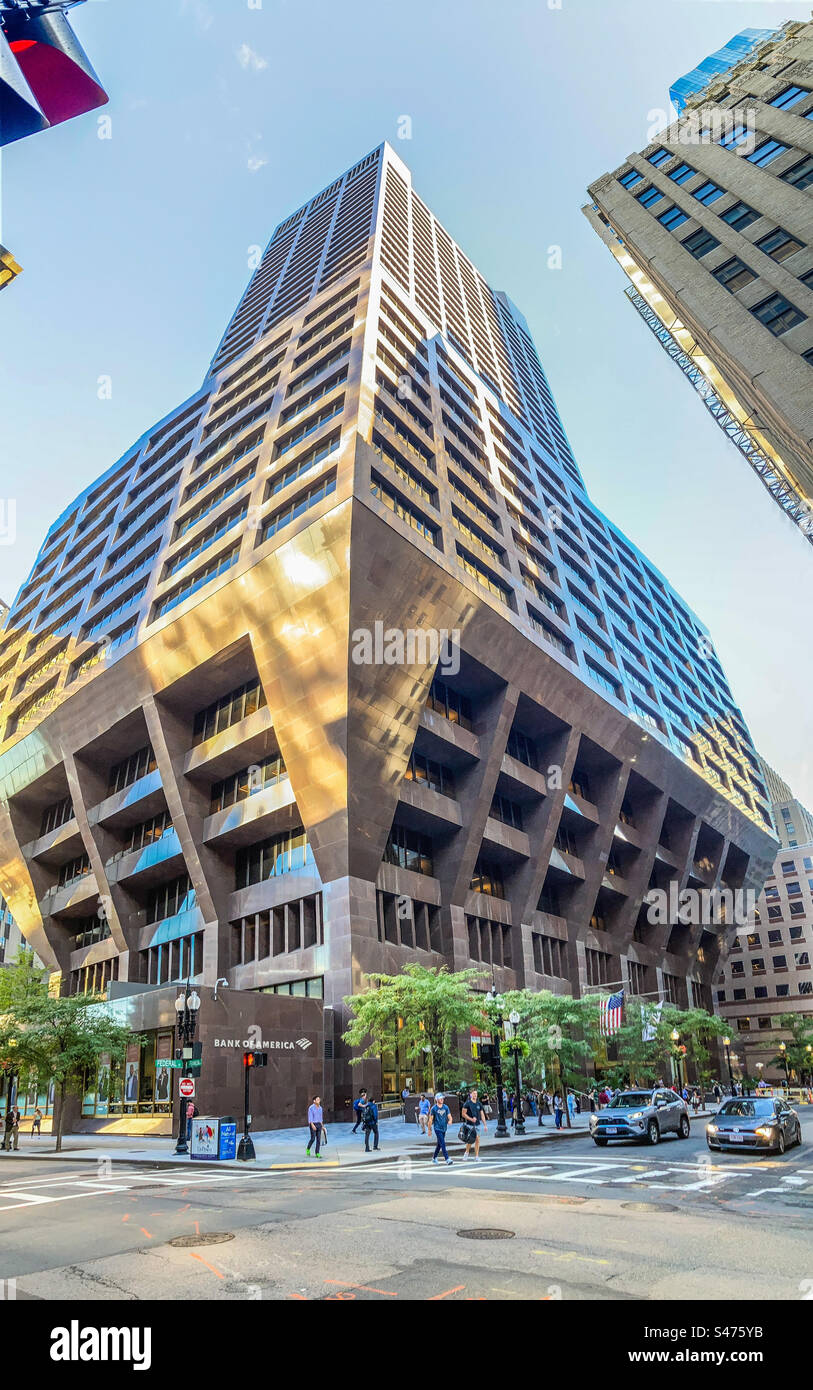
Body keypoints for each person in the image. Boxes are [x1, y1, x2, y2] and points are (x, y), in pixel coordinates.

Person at [461, 1087, 488, 1161]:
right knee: (470, 1140)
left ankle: (476, 1156)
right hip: (469, 1124)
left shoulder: (479, 1104)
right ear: (470, 1095)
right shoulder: (467, 1103)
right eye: (473, 1094)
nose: (475, 1095)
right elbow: (463, 1114)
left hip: (477, 1125)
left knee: (477, 1140)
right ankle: (466, 1152)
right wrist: (471, 1119)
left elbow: (482, 1115)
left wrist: (485, 1125)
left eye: (476, 1094)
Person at [429, 1093, 453, 1164]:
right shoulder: (434, 1108)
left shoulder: (446, 1107)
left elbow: (449, 1116)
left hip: (444, 1128)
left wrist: (450, 1120)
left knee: (439, 1144)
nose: (442, 1099)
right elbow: (430, 1120)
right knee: (442, 1143)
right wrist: (429, 1129)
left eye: (442, 1098)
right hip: (437, 1128)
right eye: (440, 1098)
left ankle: (434, 1158)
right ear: (436, 1099)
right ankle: (447, 1159)